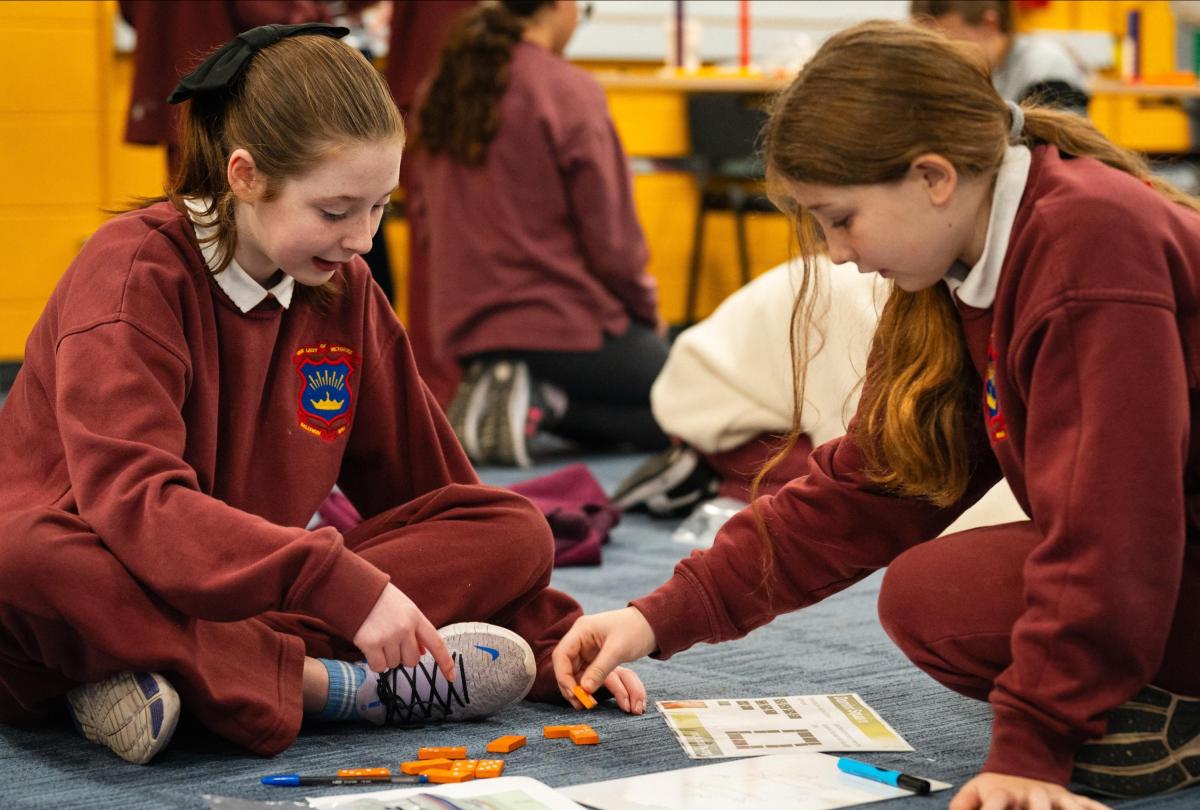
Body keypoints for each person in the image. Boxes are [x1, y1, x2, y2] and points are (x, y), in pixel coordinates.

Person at [553, 20, 1200, 809]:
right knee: (933, 596)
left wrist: (1033, 748)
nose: (835, 253)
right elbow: (871, 487)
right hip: (1170, 544)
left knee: (989, 586)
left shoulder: (1087, 248)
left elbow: (1117, 529)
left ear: (932, 178)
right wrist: (658, 617)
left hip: (1159, 541)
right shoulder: (964, 265)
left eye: (841, 217)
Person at [0, 23, 643, 766]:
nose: (362, 239)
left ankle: (171, 672)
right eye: (336, 211)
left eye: (380, 208)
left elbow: (435, 491)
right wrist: (336, 584)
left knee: (514, 527)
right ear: (243, 176)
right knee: (25, 557)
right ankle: (323, 688)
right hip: (106, 567)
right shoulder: (135, 272)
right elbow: (136, 504)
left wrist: (553, 641)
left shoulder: (344, 287)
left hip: (233, 592)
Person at [408, 0, 669, 467]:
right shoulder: (569, 90)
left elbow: (425, 222)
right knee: (700, 410)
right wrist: (647, 316)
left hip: (468, 333)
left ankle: (532, 397)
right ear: (560, 5)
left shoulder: (439, 91)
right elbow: (614, 243)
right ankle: (549, 404)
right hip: (562, 326)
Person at [613, 258, 1024, 547]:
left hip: (771, 398)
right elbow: (860, 454)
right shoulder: (866, 309)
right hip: (718, 410)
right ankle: (712, 473)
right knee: (871, 493)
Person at [911, 0, 1089, 111]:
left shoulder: (1046, 65)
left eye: (949, 42)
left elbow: (1059, 153)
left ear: (990, 22)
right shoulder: (970, 71)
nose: (940, 57)